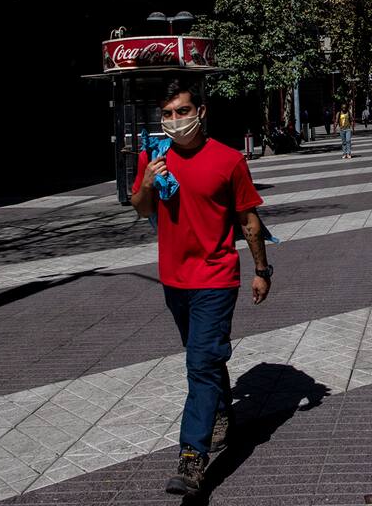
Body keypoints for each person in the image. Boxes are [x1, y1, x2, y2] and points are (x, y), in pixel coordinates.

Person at [130, 81, 272, 497]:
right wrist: (148, 183)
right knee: (205, 359)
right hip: (174, 279)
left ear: (201, 112)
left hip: (216, 277)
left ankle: (192, 457)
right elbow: (141, 208)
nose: (175, 121)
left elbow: (248, 220)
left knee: (200, 364)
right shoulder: (154, 156)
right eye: (167, 114)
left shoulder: (229, 160)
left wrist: (262, 270)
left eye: (182, 111)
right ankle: (221, 412)